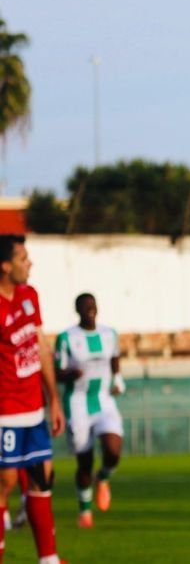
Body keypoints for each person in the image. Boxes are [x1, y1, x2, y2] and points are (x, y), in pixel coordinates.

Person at [0, 235, 67, 564]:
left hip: (33, 408)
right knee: (6, 481)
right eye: (23, 258)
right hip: (4, 411)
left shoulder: (30, 295)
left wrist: (53, 399)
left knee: (43, 476)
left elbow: (40, 346)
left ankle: (49, 560)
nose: (30, 264)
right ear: (5, 265)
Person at [55, 293, 127, 528]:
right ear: (78, 310)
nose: (90, 310)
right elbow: (56, 371)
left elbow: (115, 357)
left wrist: (117, 378)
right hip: (77, 404)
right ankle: (85, 510)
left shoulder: (109, 334)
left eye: (93, 306)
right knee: (84, 463)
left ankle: (103, 477)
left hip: (104, 401)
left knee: (113, 449)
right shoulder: (67, 338)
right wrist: (69, 374)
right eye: (85, 307)